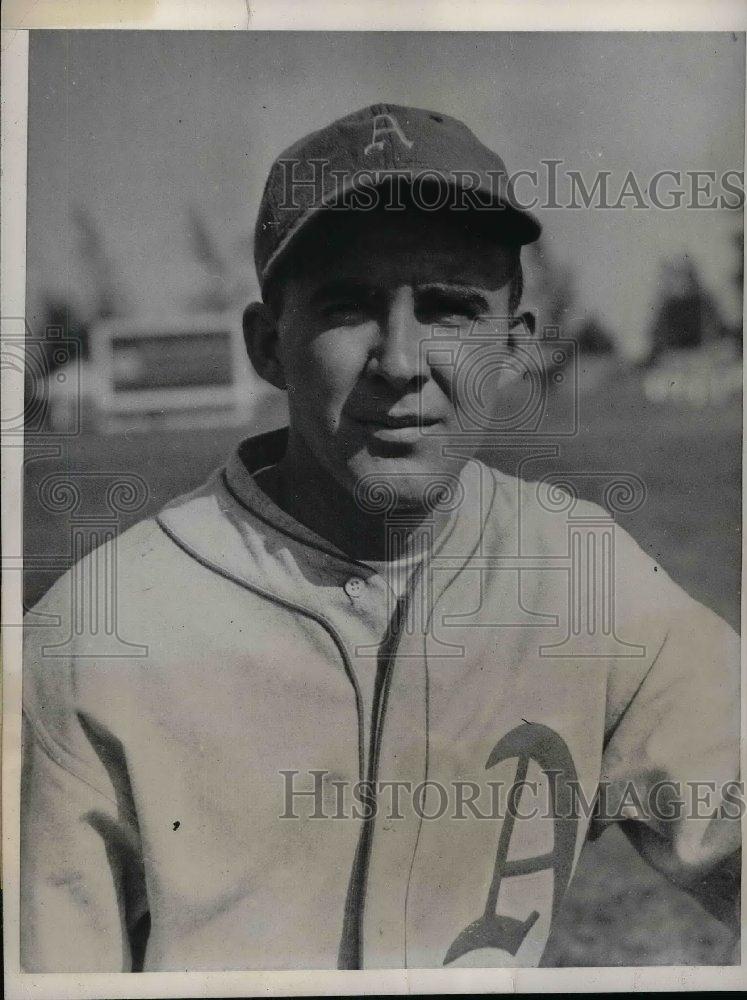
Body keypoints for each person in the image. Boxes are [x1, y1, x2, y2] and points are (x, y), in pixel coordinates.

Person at [21, 104, 740, 972]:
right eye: (349, 306)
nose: (401, 362)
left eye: (446, 308)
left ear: (511, 348)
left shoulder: (583, 579)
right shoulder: (99, 637)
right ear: (267, 345)